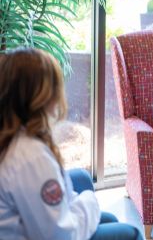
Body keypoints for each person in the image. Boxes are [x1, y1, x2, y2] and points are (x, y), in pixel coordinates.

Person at [0, 48, 143, 240]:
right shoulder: (30, 157)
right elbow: (60, 235)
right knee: (131, 233)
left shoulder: (12, 133)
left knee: (105, 214)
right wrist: (88, 201)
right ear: (42, 95)